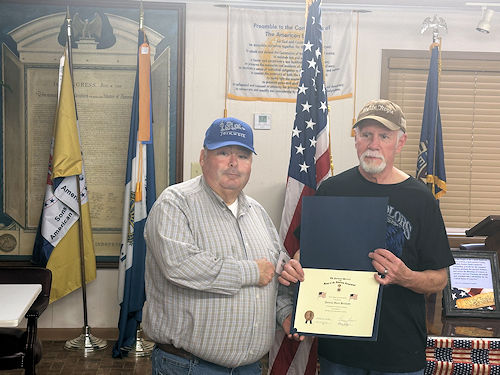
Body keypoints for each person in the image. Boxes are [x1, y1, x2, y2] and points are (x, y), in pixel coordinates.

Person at [279, 99, 455, 375]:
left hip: (399, 350)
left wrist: (404, 276)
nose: (373, 144)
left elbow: (439, 278)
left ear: (400, 142)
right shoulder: (332, 190)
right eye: (365, 135)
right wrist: (296, 264)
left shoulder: (421, 199)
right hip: (340, 350)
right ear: (356, 140)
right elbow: (308, 253)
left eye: (384, 136)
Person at [143, 117, 293, 375]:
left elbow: (274, 274)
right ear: (203, 157)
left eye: (243, 156)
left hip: (250, 368)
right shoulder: (175, 203)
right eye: (223, 152)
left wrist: (287, 313)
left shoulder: (258, 213)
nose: (234, 163)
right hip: (189, 366)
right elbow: (180, 265)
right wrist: (251, 272)